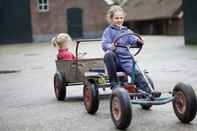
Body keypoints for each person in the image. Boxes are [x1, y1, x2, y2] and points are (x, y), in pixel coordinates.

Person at [101, 5, 151, 93]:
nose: (119, 20)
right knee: (108, 54)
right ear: (111, 19)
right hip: (114, 60)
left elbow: (134, 40)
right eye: (116, 18)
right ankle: (114, 84)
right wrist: (110, 46)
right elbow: (104, 44)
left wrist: (139, 42)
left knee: (137, 73)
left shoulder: (127, 31)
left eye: (121, 18)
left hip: (125, 59)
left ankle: (147, 91)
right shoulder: (108, 31)